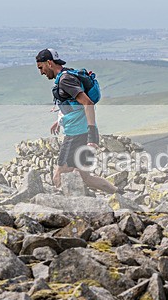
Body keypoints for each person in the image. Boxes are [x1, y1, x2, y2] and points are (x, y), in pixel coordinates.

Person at [36, 48, 118, 194]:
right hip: (83, 131)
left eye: (41, 67)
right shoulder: (68, 73)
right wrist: (60, 120)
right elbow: (74, 105)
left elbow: (87, 103)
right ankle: (120, 195)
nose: (41, 72)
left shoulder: (65, 80)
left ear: (49, 63)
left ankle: (65, 211)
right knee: (85, 177)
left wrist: (91, 136)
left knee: (59, 174)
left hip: (77, 135)